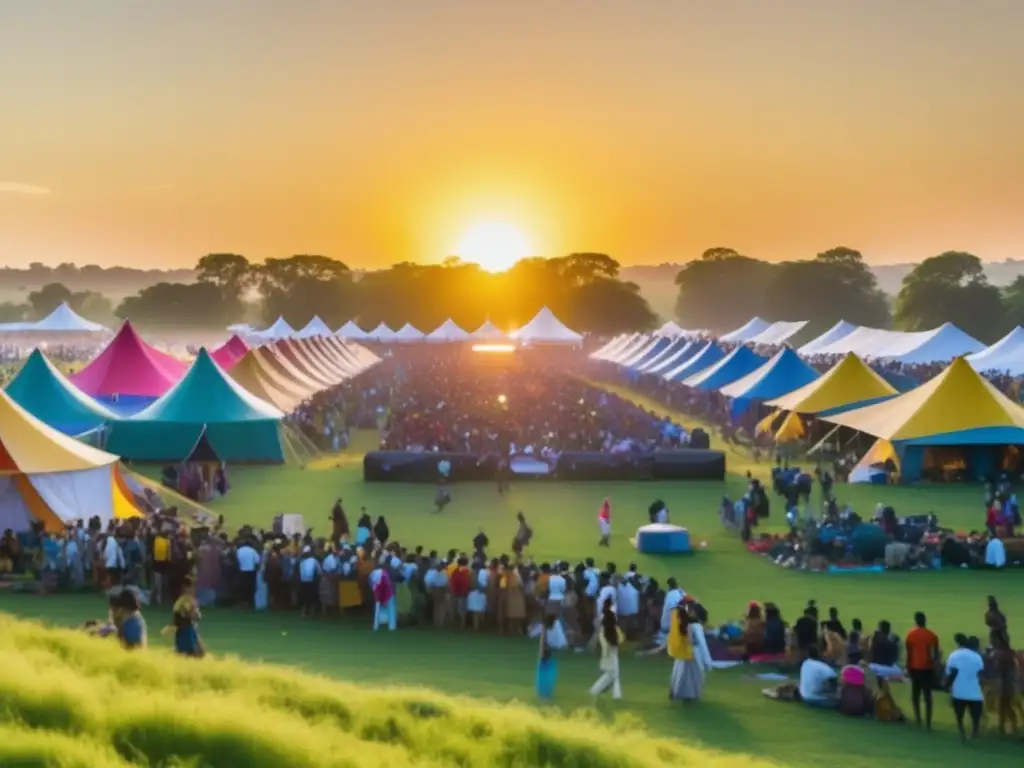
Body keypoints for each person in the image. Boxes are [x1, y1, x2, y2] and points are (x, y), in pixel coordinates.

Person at [668, 603, 713, 702]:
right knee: (693, 676)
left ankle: (678, 693)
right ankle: (690, 696)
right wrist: (708, 661)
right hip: (693, 653)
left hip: (683, 653)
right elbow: (702, 644)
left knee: (681, 674)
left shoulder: (684, 624)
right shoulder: (695, 626)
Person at [946, 633, 985, 743]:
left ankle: (962, 732)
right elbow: (981, 674)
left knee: (959, 715)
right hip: (975, 692)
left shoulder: (954, 655)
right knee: (975, 717)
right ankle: (975, 733)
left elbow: (952, 673)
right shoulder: (977, 657)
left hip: (958, 691)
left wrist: (947, 686)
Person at [904, 611, 940, 730]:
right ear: (925, 620)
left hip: (915, 668)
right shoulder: (932, 635)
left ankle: (918, 719)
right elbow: (936, 655)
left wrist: (907, 667)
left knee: (915, 695)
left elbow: (909, 653)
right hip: (927, 669)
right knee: (928, 696)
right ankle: (928, 722)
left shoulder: (910, 634)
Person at [590, 603, 623, 700]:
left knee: (613, 677)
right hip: (611, 657)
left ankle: (616, 695)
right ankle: (596, 691)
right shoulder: (609, 631)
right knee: (612, 676)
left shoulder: (605, 631)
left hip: (609, 657)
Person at [168, 576, 204, 658]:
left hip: (189, 628)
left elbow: (196, 614)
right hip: (185, 628)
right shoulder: (183, 601)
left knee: (192, 649)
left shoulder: (189, 600)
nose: (192, 590)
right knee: (188, 650)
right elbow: (180, 615)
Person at [536, 614, 558, 700]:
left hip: (547, 653)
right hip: (547, 653)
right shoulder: (547, 630)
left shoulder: (545, 630)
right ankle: (545, 692)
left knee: (545, 673)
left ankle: (545, 691)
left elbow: (542, 644)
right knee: (547, 674)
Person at [235, 538, 260, 609]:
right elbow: (257, 561)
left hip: (241, 571)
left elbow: (236, 560)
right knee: (250, 587)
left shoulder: (239, 550)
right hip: (251, 571)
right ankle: (249, 603)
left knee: (242, 588)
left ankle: (242, 603)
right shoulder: (253, 551)